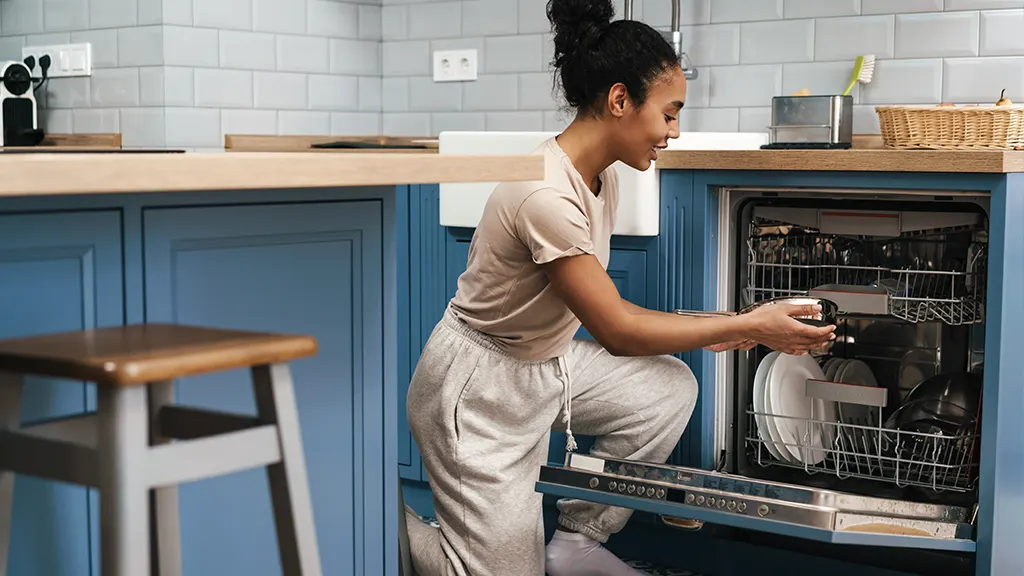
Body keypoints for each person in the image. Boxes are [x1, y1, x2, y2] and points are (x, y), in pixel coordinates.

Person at [403, 0, 837, 574]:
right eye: (670, 113)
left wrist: (723, 327)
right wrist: (750, 324)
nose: (673, 133)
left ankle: (578, 540)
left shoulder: (599, 174)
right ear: (618, 100)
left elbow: (609, 314)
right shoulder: (545, 196)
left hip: (545, 368)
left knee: (665, 389)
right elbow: (617, 329)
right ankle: (371, 513)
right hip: (479, 391)